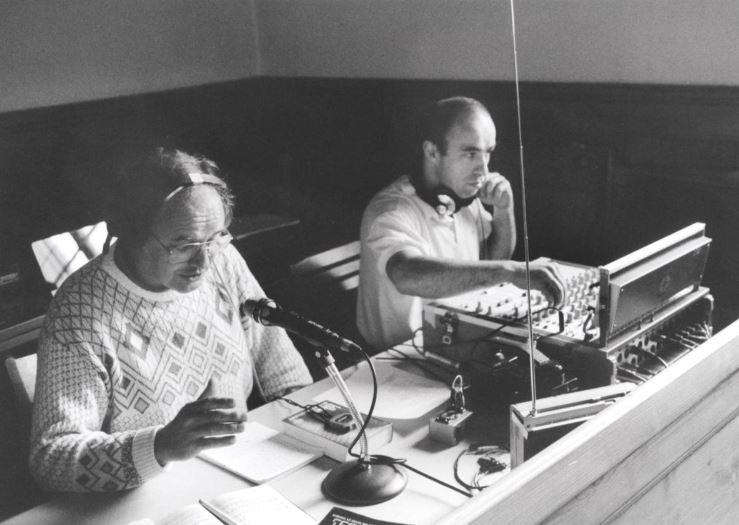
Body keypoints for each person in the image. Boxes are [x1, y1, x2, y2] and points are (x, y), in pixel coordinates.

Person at [29, 148, 312, 492]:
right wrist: (160, 446)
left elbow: (280, 366)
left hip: (238, 472)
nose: (204, 262)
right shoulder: (80, 310)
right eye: (183, 245)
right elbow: (51, 456)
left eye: (215, 238)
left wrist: (310, 436)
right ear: (133, 233)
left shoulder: (223, 260)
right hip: (141, 496)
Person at [357, 97, 566, 350]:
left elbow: (492, 258)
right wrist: (510, 271)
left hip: (455, 346)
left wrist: (503, 210)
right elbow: (406, 275)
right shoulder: (390, 210)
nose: (484, 170)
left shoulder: (464, 197)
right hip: (395, 364)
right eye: (470, 153)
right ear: (432, 152)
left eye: (488, 153)